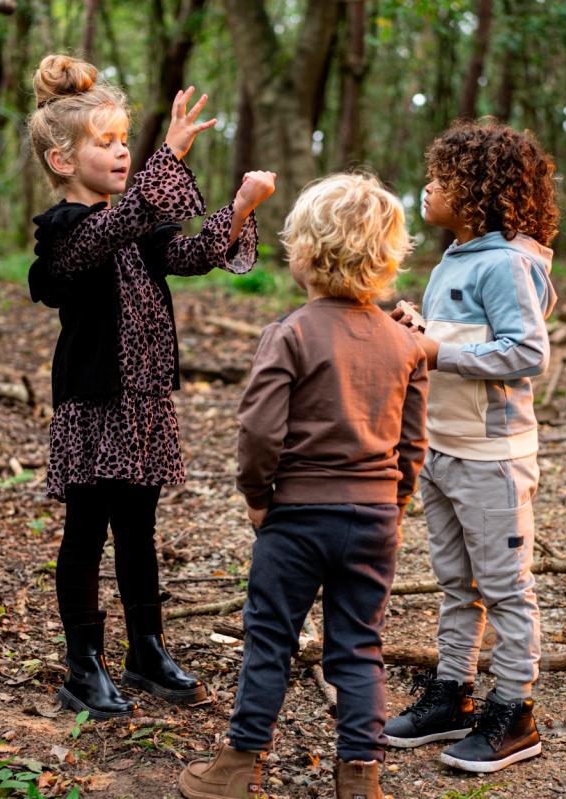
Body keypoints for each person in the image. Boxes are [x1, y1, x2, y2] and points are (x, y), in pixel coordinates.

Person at [27, 54, 275, 719]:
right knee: (85, 530)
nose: (119, 152)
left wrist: (240, 207)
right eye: (102, 143)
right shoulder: (69, 233)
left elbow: (188, 253)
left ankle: (146, 647)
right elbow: (113, 228)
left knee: (139, 526)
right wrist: (169, 154)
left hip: (144, 403)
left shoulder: (136, 227)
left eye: (123, 142)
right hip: (94, 403)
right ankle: (83, 662)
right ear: (60, 160)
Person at [178, 173, 428, 799]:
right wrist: (396, 501)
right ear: (387, 259)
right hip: (373, 520)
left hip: (294, 517)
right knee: (359, 647)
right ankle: (361, 777)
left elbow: (259, 431)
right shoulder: (406, 343)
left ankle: (238, 768)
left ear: (305, 254)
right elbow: (413, 439)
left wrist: (258, 497)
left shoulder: (288, 334)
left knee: (270, 637)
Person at [386, 119, 559, 773]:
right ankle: (452, 694)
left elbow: (525, 352)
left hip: (492, 456)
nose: (427, 186)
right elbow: (460, 344)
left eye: (441, 178)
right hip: (443, 449)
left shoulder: (508, 262)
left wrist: (435, 347)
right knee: (456, 584)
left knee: (506, 589)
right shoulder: (454, 259)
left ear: (478, 191)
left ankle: (514, 711)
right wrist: (422, 329)